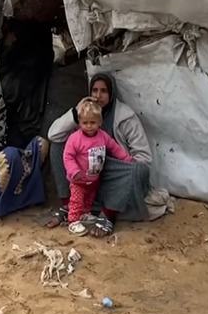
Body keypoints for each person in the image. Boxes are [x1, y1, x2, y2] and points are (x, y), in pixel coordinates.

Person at [44, 73, 153, 237]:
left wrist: (123, 168)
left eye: (103, 91)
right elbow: (53, 135)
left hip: (111, 175)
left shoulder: (124, 117)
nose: (98, 96)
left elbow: (144, 159)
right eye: (94, 90)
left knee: (139, 169)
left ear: (111, 93)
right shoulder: (85, 113)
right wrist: (76, 112)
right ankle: (69, 205)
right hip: (84, 177)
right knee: (58, 146)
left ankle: (108, 215)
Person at [63, 98, 132, 236]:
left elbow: (114, 148)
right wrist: (74, 171)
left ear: (99, 122)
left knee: (89, 199)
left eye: (93, 122)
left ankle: (85, 214)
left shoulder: (103, 137)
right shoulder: (75, 139)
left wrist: (127, 159)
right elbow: (68, 156)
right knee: (77, 199)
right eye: (85, 123)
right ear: (79, 123)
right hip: (78, 179)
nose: (89, 126)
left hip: (94, 178)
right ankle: (73, 221)